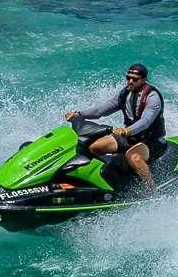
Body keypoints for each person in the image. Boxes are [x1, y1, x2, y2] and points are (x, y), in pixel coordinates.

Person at [67, 63, 167, 191]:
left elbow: (146, 121)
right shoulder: (125, 93)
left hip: (151, 141)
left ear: (143, 80)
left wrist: (127, 130)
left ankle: (151, 189)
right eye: (128, 78)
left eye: (134, 79)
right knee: (95, 147)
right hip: (131, 137)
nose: (130, 81)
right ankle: (109, 180)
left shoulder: (153, 97)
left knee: (134, 157)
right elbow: (101, 110)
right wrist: (79, 114)